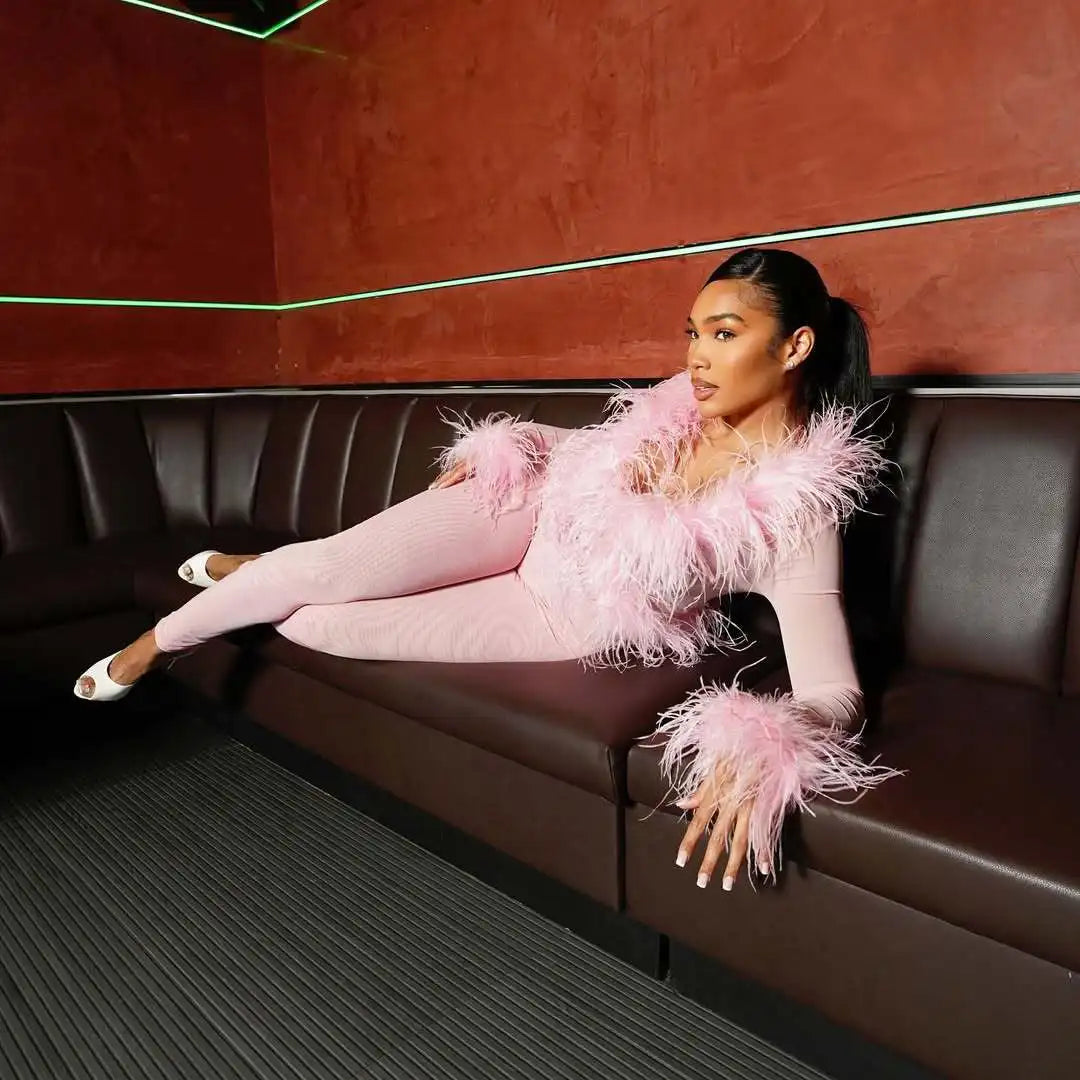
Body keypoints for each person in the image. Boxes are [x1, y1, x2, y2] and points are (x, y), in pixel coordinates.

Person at [74, 247, 901, 890]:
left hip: (552, 615)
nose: (697, 357)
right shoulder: (673, 409)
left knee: (318, 620)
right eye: (692, 333)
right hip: (523, 512)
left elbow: (834, 691)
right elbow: (587, 452)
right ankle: (155, 645)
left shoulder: (797, 510)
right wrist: (520, 441)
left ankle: (258, 571)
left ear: (795, 345)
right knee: (324, 570)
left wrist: (766, 743)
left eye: (724, 334)